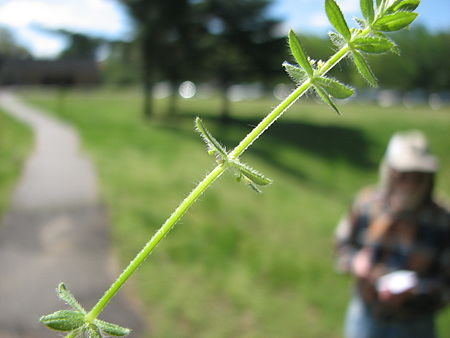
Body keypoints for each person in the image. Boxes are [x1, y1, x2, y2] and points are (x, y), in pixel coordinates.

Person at [334, 130, 450, 338]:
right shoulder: (367, 204)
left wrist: (416, 291)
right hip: (366, 317)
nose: (410, 183)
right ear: (389, 172)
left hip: (415, 323)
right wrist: (356, 262)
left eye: (418, 175)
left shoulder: (442, 218)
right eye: (403, 174)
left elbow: (446, 280)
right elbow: (342, 245)